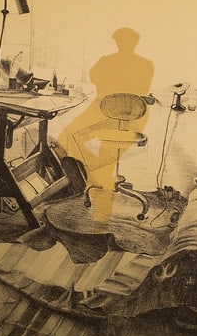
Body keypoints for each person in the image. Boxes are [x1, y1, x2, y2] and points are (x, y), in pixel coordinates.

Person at [56, 28, 154, 223]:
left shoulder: (107, 61)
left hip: (117, 116)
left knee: (70, 137)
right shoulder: (145, 64)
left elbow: (96, 80)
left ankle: (95, 172)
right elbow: (142, 90)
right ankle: (93, 172)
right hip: (117, 114)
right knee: (68, 136)